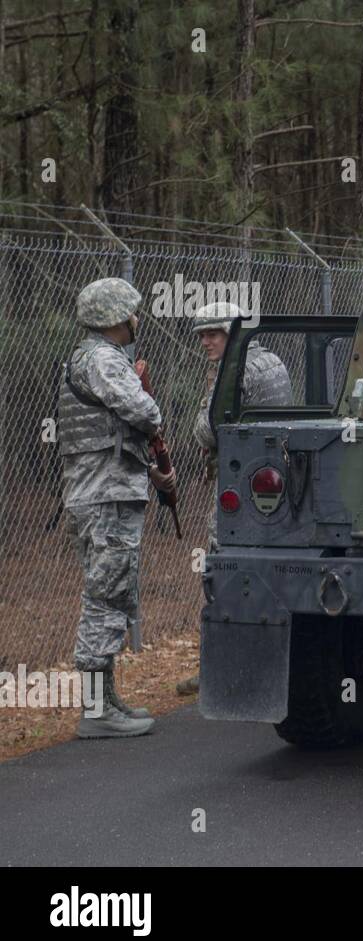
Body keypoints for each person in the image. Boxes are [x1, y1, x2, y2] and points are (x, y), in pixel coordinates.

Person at [59, 278, 177, 738]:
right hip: (105, 496)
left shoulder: (89, 358)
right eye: (131, 311)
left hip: (102, 493)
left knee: (112, 593)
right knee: (104, 598)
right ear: (116, 317)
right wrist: (149, 400)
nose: (136, 319)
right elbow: (145, 412)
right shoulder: (104, 360)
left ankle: (106, 700)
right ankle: (94, 712)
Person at [179, 301, 291, 696]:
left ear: (233, 333)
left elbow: (206, 432)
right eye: (202, 335)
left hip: (239, 489)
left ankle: (220, 667)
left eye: (213, 333)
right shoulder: (273, 361)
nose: (206, 342)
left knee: (219, 570)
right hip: (275, 485)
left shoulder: (233, 369)